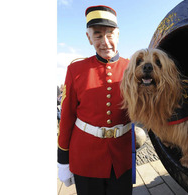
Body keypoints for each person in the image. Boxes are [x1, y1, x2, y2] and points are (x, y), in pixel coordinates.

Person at [57, 5, 132, 195]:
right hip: (85, 158)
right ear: (88, 38)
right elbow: (66, 117)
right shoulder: (76, 70)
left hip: (121, 157)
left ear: (118, 34)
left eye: (110, 34)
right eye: (98, 35)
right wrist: (63, 161)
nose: (105, 42)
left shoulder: (133, 68)